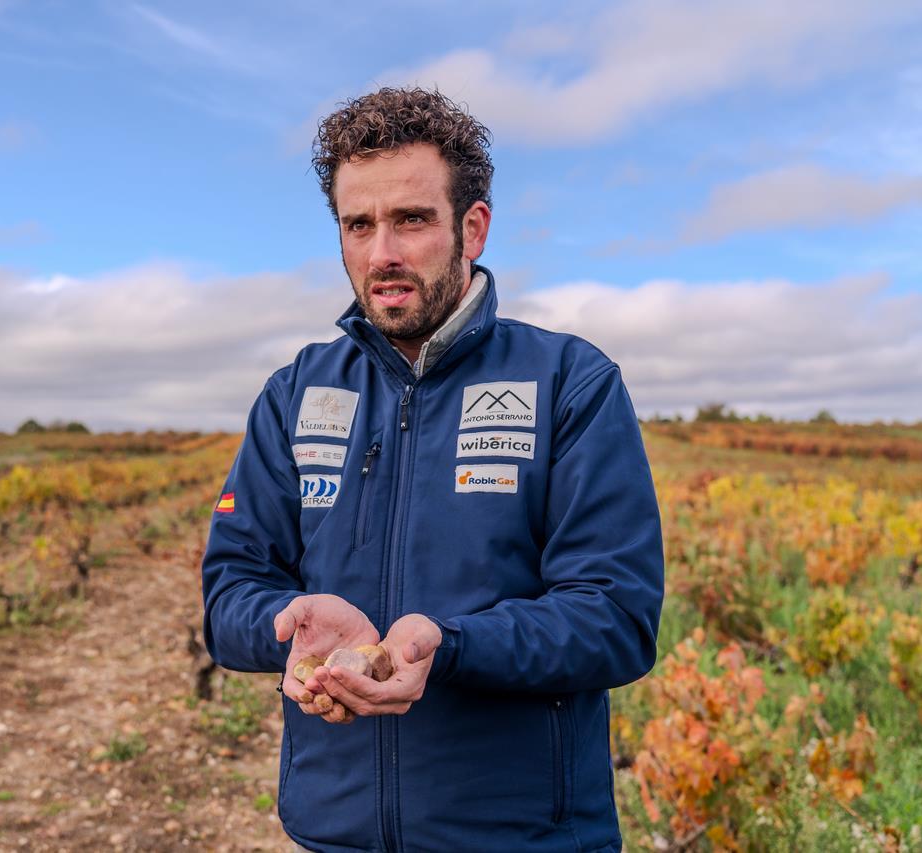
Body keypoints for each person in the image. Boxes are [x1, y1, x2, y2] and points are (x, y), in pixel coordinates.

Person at [201, 87, 664, 852]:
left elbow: (616, 616)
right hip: (336, 830)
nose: (382, 252)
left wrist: (446, 647)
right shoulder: (295, 393)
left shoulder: (569, 382)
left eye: (411, 219)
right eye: (359, 224)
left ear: (472, 227)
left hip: (524, 837)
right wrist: (287, 628)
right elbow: (229, 596)